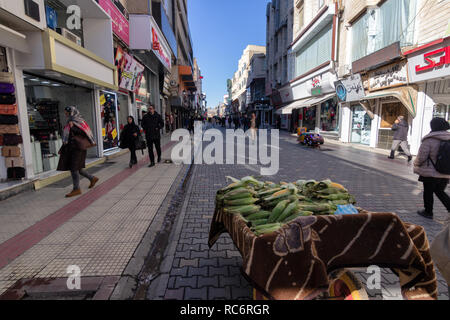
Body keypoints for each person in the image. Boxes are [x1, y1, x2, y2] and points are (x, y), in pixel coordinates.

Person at [57, 106, 99, 198]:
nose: (66, 114)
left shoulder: (79, 121)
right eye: (65, 112)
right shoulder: (70, 121)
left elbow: (84, 133)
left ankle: (76, 189)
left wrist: (73, 127)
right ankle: (92, 178)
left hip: (78, 148)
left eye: (67, 112)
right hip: (71, 148)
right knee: (78, 168)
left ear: (72, 112)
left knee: (74, 169)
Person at [414, 117, 450, 219]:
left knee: (428, 191)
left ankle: (428, 212)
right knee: (439, 191)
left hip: (430, 171)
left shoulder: (429, 140)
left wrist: (416, 164)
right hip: (445, 171)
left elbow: (421, 156)